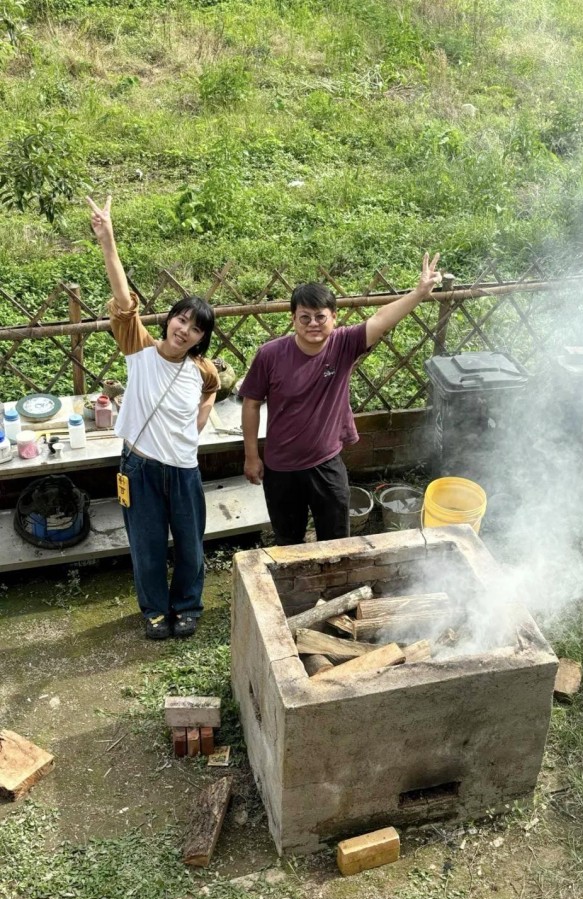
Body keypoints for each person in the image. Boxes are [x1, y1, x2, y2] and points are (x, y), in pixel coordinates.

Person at [87, 195, 219, 640]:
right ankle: (154, 611)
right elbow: (124, 302)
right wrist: (108, 241)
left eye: (195, 328)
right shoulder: (139, 349)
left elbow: (213, 390)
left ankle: (187, 605)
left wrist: (200, 420)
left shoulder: (202, 369)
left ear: (201, 339)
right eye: (180, 319)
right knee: (145, 547)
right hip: (139, 467)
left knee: (190, 546)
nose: (184, 329)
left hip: (183, 470)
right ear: (169, 321)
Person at [240, 253, 441, 545]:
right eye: (304, 317)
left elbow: (381, 319)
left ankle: (334, 589)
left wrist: (420, 292)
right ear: (293, 319)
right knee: (288, 541)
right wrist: (250, 456)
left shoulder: (343, 344)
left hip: (326, 462)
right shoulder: (270, 354)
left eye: (321, 316)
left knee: (337, 539)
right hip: (281, 467)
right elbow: (251, 403)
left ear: (334, 318)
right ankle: (296, 588)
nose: (313, 324)